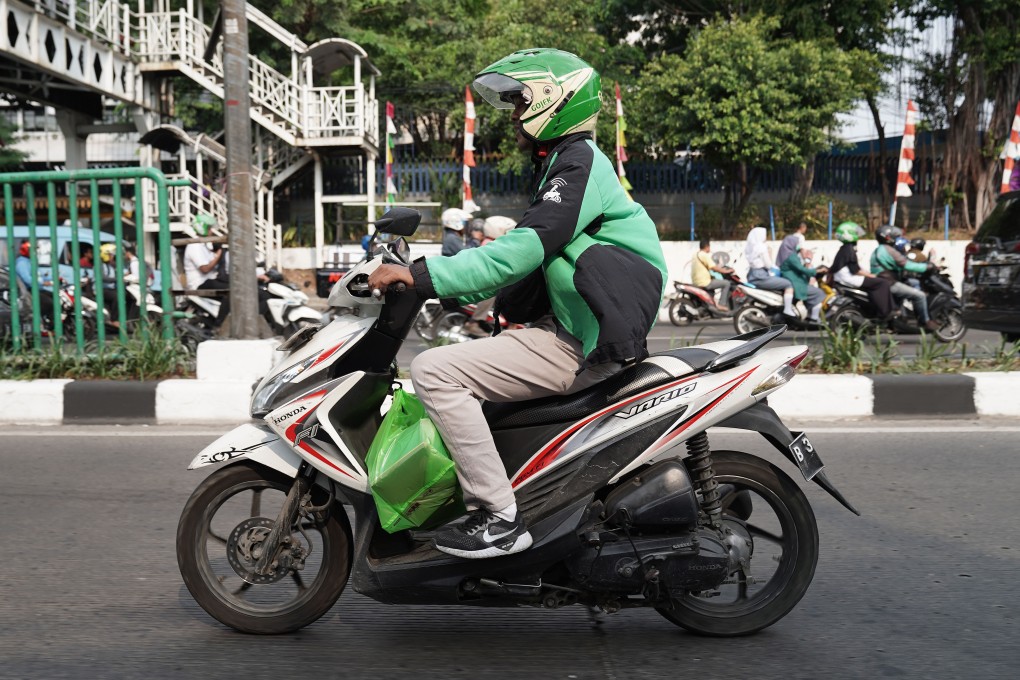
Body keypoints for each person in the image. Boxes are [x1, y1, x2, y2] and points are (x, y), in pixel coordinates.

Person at [367, 48, 667, 559]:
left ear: (554, 102)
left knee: (436, 370)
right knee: (470, 361)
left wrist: (420, 275)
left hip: (580, 341)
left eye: (518, 102)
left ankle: (500, 519)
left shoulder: (579, 165)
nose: (512, 116)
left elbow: (522, 250)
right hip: (574, 326)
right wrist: (466, 298)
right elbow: (532, 261)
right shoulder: (564, 166)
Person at [871, 225, 939, 331]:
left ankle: (900, 319)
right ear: (888, 237)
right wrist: (927, 267)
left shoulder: (878, 250)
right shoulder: (888, 250)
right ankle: (925, 322)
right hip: (890, 282)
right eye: (895, 236)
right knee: (919, 295)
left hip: (885, 281)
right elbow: (906, 264)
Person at [828, 221, 897, 321]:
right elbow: (855, 270)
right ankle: (884, 312)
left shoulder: (844, 249)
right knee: (882, 283)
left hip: (843, 278)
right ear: (848, 234)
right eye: (855, 232)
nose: (858, 235)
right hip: (850, 279)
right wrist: (870, 275)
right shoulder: (849, 249)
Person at [183, 213, 229, 328]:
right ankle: (221, 325)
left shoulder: (203, 245)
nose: (211, 232)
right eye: (209, 228)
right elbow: (205, 268)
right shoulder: (194, 246)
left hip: (209, 281)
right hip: (200, 284)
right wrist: (218, 255)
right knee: (230, 292)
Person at [744, 225, 796, 318]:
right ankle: (787, 309)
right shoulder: (762, 247)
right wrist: (770, 254)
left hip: (752, 275)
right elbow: (768, 264)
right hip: (761, 276)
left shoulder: (750, 248)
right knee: (788, 284)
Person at [779, 244, 827, 326]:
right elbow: (804, 271)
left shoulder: (798, 258)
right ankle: (814, 318)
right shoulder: (794, 258)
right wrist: (817, 271)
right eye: (805, 251)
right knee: (820, 293)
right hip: (797, 283)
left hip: (798, 282)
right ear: (800, 250)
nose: (807, 253)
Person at [689, 238, 734, 312]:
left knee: (714, 283)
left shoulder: (696, 254)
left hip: (696, 281)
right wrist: (726, 271)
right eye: (709, 246)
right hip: (704, 282)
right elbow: (714, 268)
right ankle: (722, 304)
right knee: (726, 283)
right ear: (707, 246)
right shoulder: (704, 255)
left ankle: (710, 306)